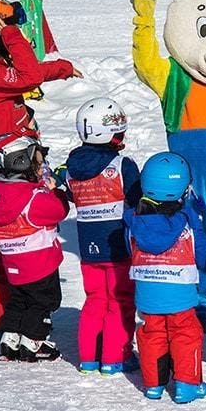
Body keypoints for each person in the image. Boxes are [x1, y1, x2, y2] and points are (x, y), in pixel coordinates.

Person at [0, 0, 81, 345]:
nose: (19, 35)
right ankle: (2, 323)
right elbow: (28, 75)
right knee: (2, 251)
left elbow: (26, 73)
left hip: (16, 173)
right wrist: (8, 31)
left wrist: (62, 69)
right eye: (13, 30)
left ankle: (21, 314)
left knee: (21, 246)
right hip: (2, 177)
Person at [55, 98, 141, 376]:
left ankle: (89, 358)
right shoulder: (121, 165)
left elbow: (68, 193)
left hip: (88, 249)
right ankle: (116, 357)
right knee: (120, 300)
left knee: (95, 300)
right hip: (118, 247)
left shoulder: (72, 167)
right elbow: (137, 197)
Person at [124, 152, 206, 403]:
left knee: (153, 333)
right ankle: (186, 384)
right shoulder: (187, 221)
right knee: (186, 333)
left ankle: (154, 384)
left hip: (147, 293)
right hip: (180, 293)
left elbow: (130, 249)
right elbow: (201, 252)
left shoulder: (133, 221)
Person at [0, 132, 70, 362]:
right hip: (40, 263)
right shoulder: (33, 198)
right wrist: (55, 192)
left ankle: (9, 339)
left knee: (19, 300)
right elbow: (59, 211)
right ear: (20, 161)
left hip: (14, 264)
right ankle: (34, 341)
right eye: (38, 163)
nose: (41, 168)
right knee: (44, 302)